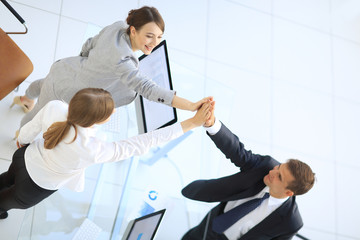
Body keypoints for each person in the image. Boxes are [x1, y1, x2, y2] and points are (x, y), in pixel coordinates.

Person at [0, 88, 213, 219]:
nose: (114, 112)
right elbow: (143, 142)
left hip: (23, 159)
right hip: (35, 186)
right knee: (5, 201)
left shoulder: (57, 106)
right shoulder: (92, 150)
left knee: (5, 180)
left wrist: (23, 143)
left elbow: (28, 133)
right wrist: (191, 123)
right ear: (95, 120)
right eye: (110, 112)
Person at [11, 6, 210, 128]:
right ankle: (21, 137)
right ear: (133, 31)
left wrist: (85, 67)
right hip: (65, 91)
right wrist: (191, 106)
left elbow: (89, 43)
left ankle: (25, 97)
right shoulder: (123, 61)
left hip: (65, 69)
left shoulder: (117, 27)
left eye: (159, 37)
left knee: (44, 83)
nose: (154, 42)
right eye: (149, 36)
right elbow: (148, 89)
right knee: (35, 118)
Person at [181, 103, 315, 240]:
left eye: (279, 177)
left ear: (288, 193)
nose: (273, 172)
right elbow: (237, 151)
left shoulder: (291, 223)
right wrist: (212, 124)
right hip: (215, 220)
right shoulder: (266, 166)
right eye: (279, 167)